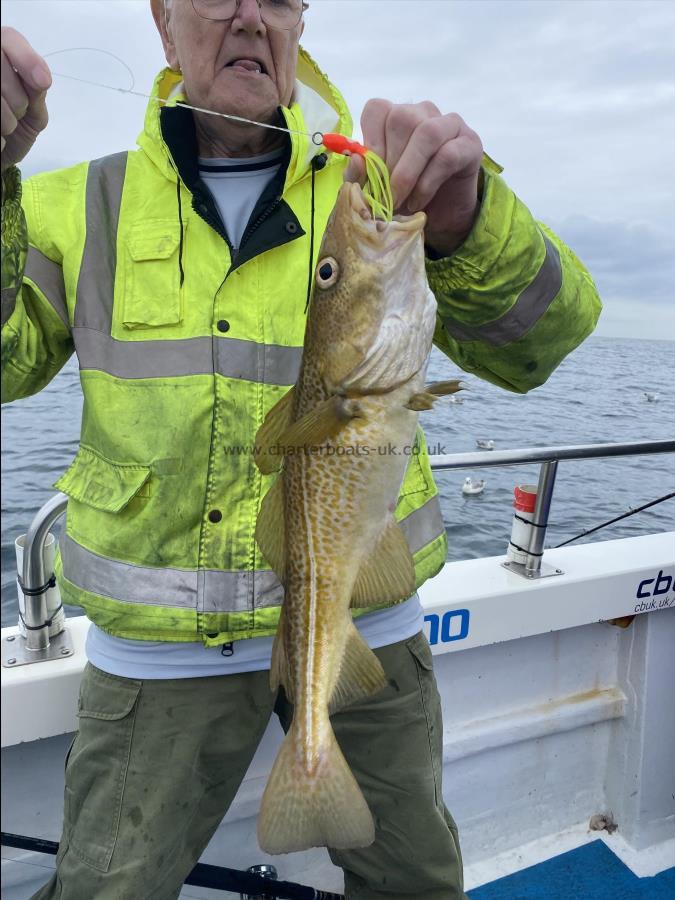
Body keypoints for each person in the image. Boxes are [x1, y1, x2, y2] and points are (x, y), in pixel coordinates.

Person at [1, 1, 602, 897]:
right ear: (164, 25)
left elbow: (540, 343)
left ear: (298, 24)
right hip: (161, 648)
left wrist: (470, 223)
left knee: (415, 882)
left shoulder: (376, 195)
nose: (249, 15)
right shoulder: (70, 201)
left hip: (368, 616)